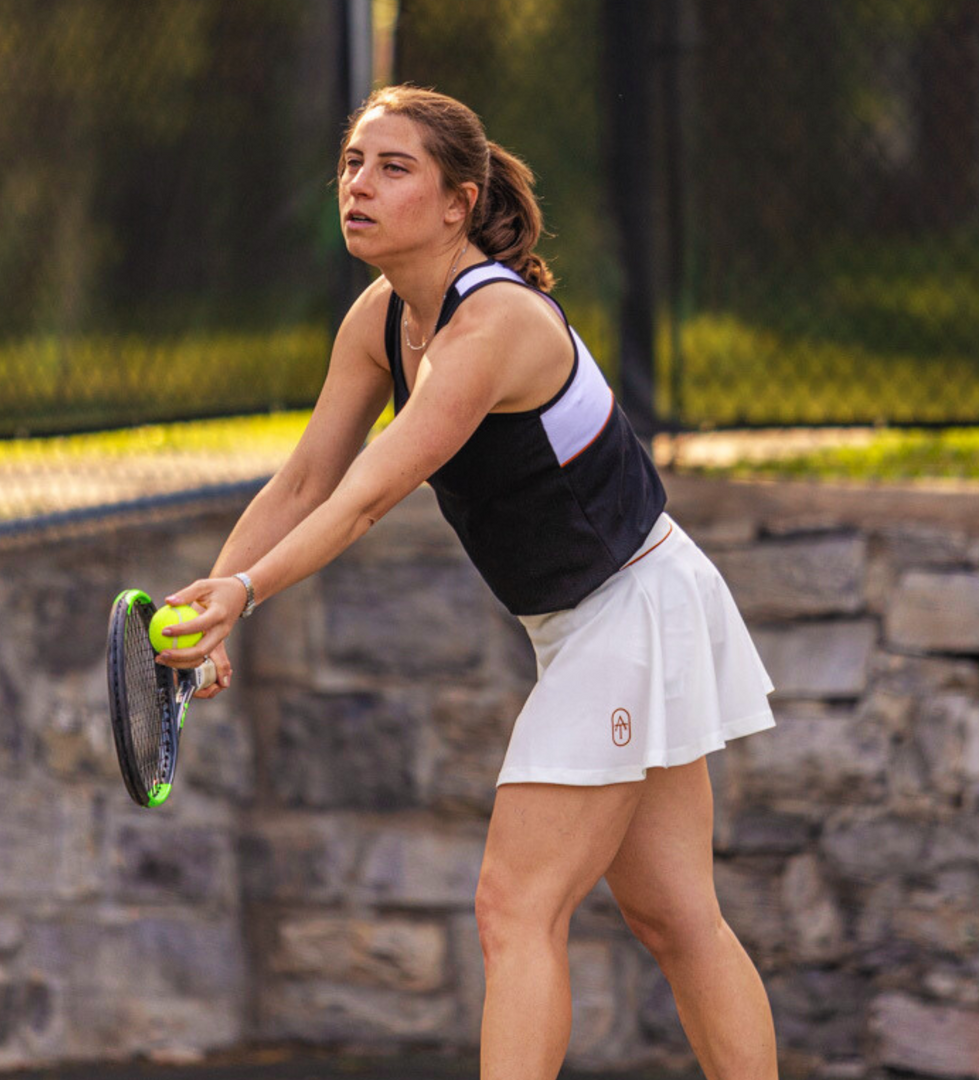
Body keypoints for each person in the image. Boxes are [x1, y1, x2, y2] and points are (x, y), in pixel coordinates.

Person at [157, 84, 779, 1080]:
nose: (360, 185)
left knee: (515, 906)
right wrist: (216, 599)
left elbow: (365, 496)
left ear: (459, 199)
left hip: (631, 608)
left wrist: (248, 593)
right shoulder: (381, 317)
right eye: (354, 164)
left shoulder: (493, 328)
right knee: (673, 915)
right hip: (602, 613)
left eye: (394, 167)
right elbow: (309, 475)